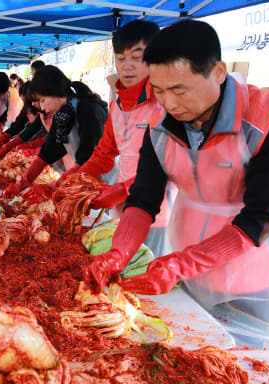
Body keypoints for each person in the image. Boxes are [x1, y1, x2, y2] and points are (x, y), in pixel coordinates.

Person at [86, 20, 269, 327]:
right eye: (158, 90)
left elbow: (260, 217)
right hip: (186, 260)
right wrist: (119, 252)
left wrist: (183, 264)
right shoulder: (160, 128)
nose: (169, 103)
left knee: (250, 359)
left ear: (218, 73)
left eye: (179, 90)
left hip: (255, 273)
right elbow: (143, 199)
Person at [55, 20, 172, 257]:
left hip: (156, 210)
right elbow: (103, 155)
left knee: (146, 270)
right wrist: (70, 182)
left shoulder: (167, 105)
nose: (127, 66)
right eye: (120, 58)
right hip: (121, 207)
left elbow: (169, 167)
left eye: (137, 57)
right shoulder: (118, 105)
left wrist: (119, 191)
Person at [2, 65, 108, 198]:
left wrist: (52, 187)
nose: (42, 107)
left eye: (43, 101)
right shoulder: (62, 114)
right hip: (82, 176)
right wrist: (21, 184)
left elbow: (89, 159)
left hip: (104, 179)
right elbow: (48, 151)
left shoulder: (89, 111)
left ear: (55, 93)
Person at [0, 82, 47, 160]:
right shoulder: (27, 109)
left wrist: (21, 146)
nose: (32, 104)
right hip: (35, 145)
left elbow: (32, 129)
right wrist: (2, 139)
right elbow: (16, 126)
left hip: (45, 148)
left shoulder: (45, 111)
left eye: (27, 102)